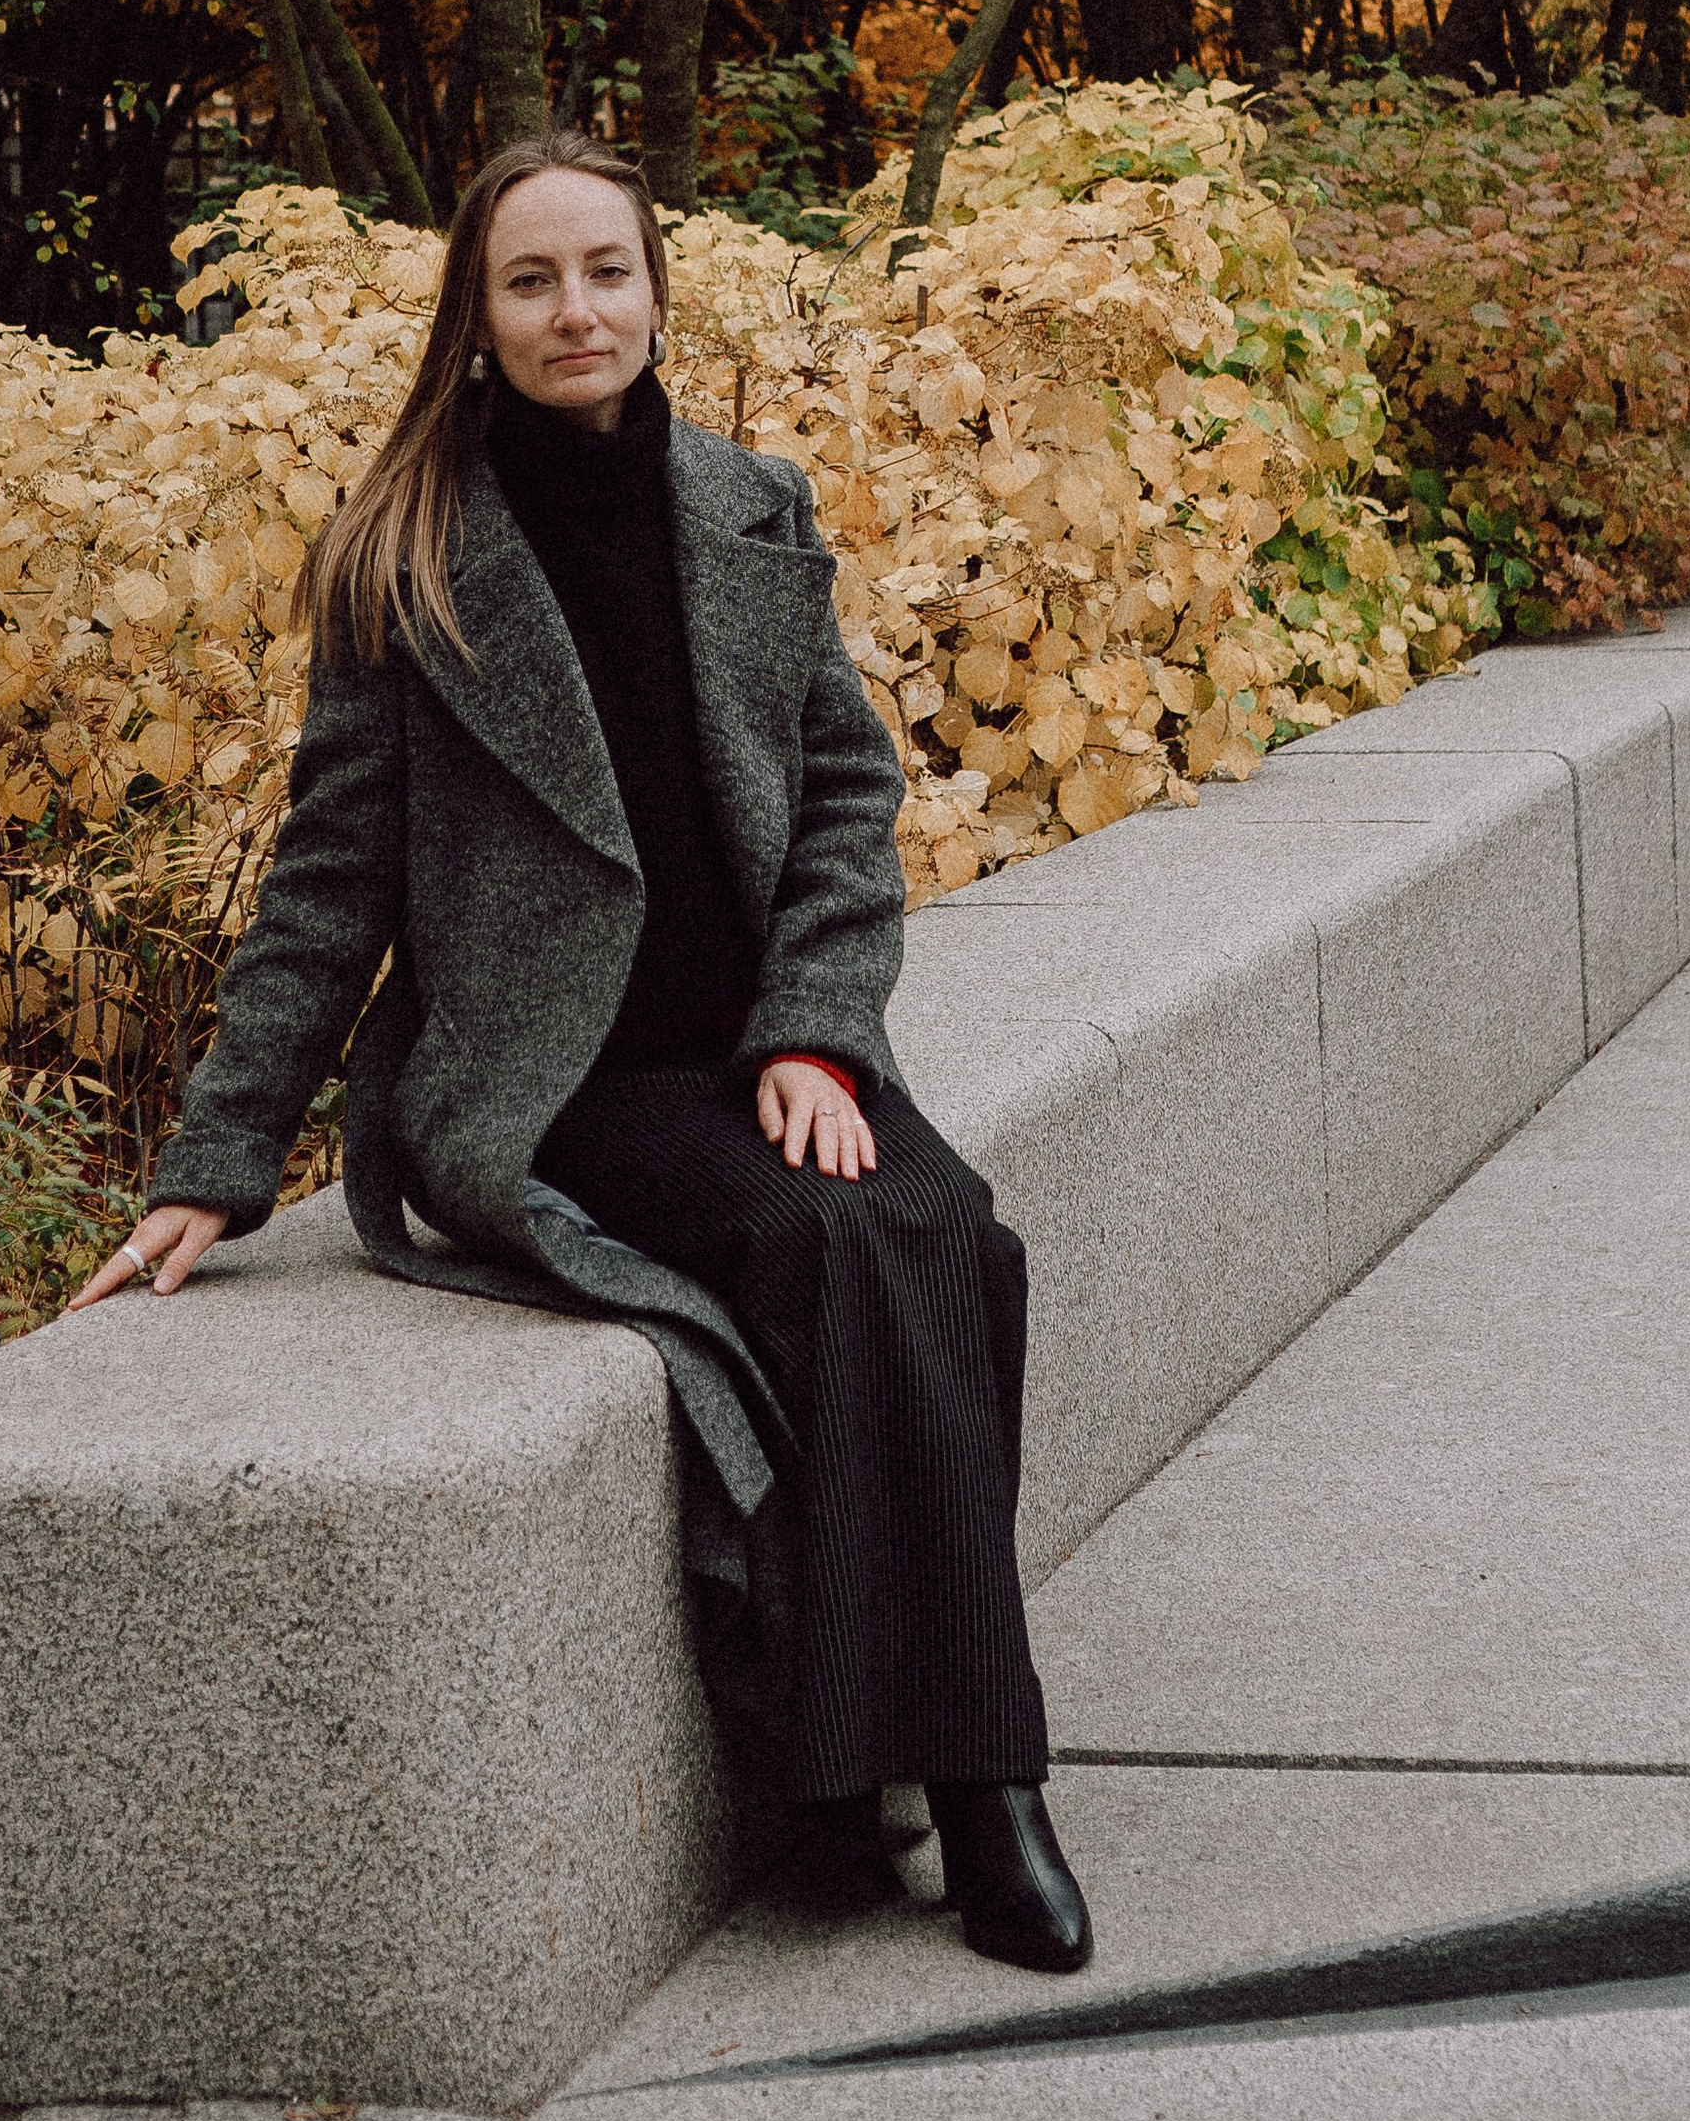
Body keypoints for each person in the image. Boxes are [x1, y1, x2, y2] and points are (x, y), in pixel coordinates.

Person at [71, 130, 1091, 1975]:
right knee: (845, 1244)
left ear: (654, 288)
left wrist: (819, 1040)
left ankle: (876, 1760)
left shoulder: (750, 506)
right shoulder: (406, 554)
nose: (575, 311)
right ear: (477, 314)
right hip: (561, 1084)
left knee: (958, 1238)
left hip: (761, 1053)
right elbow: (327, 887)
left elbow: (853, 806)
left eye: (604, 271)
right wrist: (213, 1166)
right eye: (530, 281)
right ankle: (991, 1785)